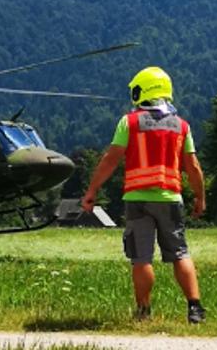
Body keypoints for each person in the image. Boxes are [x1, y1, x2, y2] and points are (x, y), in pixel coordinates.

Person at [82, 66, 207, 324]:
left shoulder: (129, 122)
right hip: (170, 199)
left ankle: (143, 312)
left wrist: (92, 190)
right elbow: (193, 166)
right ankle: (195, 308)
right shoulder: (182, 126)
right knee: (180, 253)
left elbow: (110, 159)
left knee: (141, 258)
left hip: (137, 200)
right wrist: (200, 197)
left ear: (143, 91)